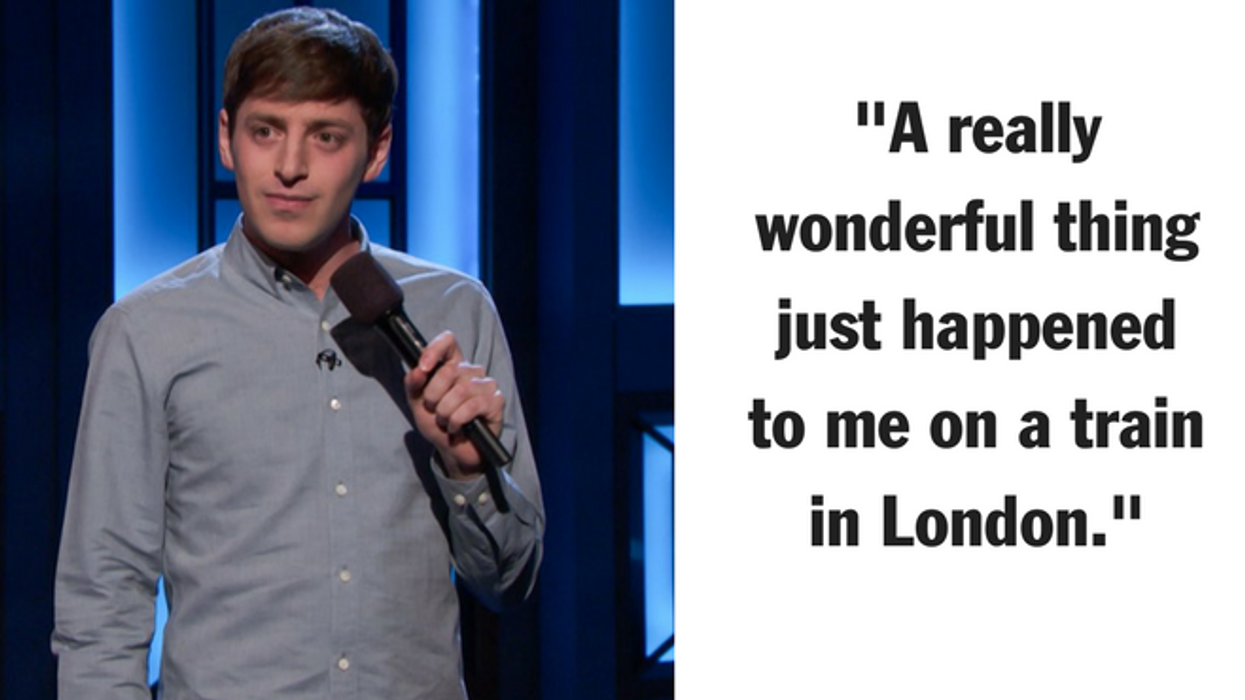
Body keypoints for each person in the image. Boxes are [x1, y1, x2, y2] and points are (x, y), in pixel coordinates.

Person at [51, 8, 544, 699]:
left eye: (326, 136)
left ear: (377, 150)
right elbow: (101, 605)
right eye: (265, 131)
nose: (289, 166)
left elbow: (512, 580)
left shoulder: (453, 314)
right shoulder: (145, 332)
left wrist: (466, 472)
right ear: (226, 139)